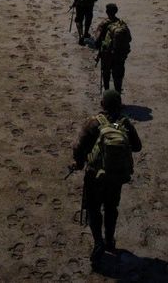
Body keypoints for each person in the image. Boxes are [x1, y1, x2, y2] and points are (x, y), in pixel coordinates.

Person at [70, 89, 142, 268]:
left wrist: (79, 164)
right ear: (119, 105)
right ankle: (110, 239)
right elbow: (137, 147)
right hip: (116, 177)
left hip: (95, 176)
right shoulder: (125, 123)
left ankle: (98, 242)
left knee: (94, 210)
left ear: (103, 104)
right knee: (111, 207)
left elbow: (79, 148)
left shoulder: (94, 123)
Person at [95, 3, 131, 93]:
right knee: (118, 76)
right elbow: (129, 39)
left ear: (107, 12)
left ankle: (106, 92)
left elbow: (97, 41)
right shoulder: (122, 24)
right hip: (119, 54)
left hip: (107, 54)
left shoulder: (104, 24)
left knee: (106, 74)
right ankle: (118, 95)